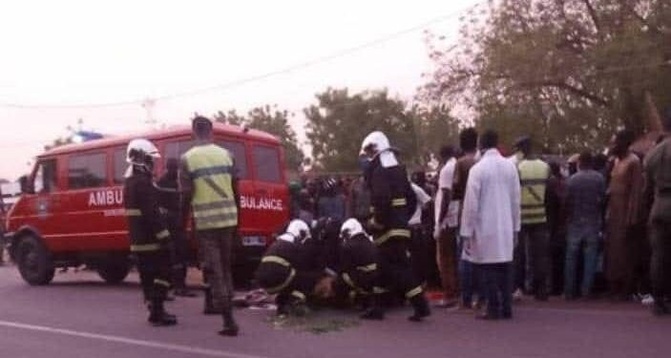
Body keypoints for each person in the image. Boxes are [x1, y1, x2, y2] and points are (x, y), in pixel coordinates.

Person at [360, 131, 430, 322]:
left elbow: (381, 200)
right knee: (382, 269)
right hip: (398, 227)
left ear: (375, 149)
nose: (366, 158)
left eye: (368, 153)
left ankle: (421, 306)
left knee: (401, 269)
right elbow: (410, 198)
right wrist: (402, 218)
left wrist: (377, 222)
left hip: (387, 229)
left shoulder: (379, 172)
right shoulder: (398, 169)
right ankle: (377, 308)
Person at [180, 116, 239, 336]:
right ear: (212, 131)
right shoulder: (227, 155)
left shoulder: (187, 159)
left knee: (215, 272)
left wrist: (182, 226)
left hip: (206, 224)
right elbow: (236, 192)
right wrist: (238, 223)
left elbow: (185, 196)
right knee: (226, 269)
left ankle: (228, 320)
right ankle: (228, 313)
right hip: (229, 220)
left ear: (194, 132)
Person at [460, 130, 521, 320]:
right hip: (505, 225)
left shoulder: (477, 170)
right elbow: (515, 200)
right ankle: (507, 307)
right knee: (505, 268)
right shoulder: (510, 167)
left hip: (484, 227)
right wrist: (516, 227)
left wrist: (466, 231)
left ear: (480, 145)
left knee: (488, 270)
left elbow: (471, 204)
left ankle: (492, 308)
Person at [123, 138, 177, 326]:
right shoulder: (142, 183)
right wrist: (165, 237)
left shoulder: (129, 182)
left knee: (147, 275)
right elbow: (152, 214)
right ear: (141, 159)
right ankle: (158, 310)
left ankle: (153, 309)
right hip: (151, 239)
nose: (152, 163)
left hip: (138, 240)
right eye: (150, 159)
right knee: (164, 272)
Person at [255, 219, 325, 316]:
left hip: (264, 282)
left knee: (291, 277)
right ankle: (295, 301)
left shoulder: (278, 242)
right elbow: (303, 267)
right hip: (278, 278)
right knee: (309, 278)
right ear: (301, 233)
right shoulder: (296, 245)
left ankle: (282, 303)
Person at [605, 129, 643, 300]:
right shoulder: (614, 162)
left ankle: (626, 289)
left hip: (626, 212)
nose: (612, 146)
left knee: (625, 252)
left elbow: (636, 191)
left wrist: (632, 217)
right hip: (613, 212)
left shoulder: (633, 162)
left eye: (614, 142)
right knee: (613, 251)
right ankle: (614, 285)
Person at [563, 151, 606, 300]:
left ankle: (569, 291)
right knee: (590, 258)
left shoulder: (572, 180)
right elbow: (602, 200)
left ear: (579, 163)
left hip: (575, 222)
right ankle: (586, 291)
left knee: (571, 258)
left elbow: (567, 202)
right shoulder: (599, 178)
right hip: (592, 221)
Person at [515, 136, 551, 301]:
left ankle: (519, 288)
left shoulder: (518, 167)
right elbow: (550, 194)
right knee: (540, 256)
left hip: (521, 218)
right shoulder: (545, 167)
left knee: (519, 255)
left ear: (521, 149)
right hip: (540, 217)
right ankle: (541, 290)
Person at [643, 108, 671, 316]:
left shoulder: (653, 153)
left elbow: (647, 187)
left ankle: (659, 300)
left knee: (659, 256)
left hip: (659, 204)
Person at [453, 127, 484, 310]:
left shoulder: (462, 163)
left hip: (465, 211)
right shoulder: (481, 161)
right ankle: (481, 296)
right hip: (483, 213)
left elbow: (456, 190)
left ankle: (465, 298)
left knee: (465, 256)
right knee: (481, 257)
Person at [157, 158, 197, 298]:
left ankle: (180, 286)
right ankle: (172, 286)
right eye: (173, 169)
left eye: (176, 169)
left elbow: (186, 202)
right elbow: (158, 205)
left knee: (181, 255)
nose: (175, 172)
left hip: (178, 224)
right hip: (168, 224)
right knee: (171, 256)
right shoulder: (161, 183)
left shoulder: (179, 182)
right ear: (168, 168)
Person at [333, 218, 380, 309]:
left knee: (342, 277)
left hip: (366, 279)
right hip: (379, 277)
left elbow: (345, 268)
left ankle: (341, 303)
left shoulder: (347, 247)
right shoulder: (369, 242)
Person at [434, 144, 460, 308]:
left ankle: (449, 294)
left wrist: (439, 222)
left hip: (446, 220)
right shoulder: (456, 166)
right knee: (453, 258)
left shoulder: (446, 170)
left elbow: (446, 195)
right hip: (455, 217)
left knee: (444, 259)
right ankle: (455, 291)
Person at [408, 181, 432, 286]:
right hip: (413, 226)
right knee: (416, 257)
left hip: (412, 226)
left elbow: (428, 203)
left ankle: (418, 281)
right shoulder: (414, 188)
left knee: (415, 257)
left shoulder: (413, 188)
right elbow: (428, 203)